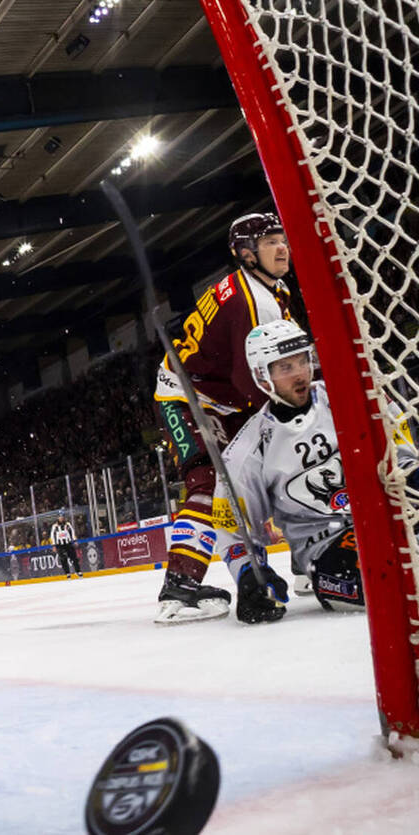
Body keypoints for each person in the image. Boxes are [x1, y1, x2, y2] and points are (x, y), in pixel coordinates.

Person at [216, 321, 419, 623]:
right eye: (286, 367)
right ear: (263, 376)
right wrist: (249, 575)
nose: (300, 372)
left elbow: (403, 454)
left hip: (389, 514)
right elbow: (234, 530)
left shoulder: (353, 394)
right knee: (389, 578)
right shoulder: (246, 452)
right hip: (328, 548)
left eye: (303, 360)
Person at [153, 211, 296, 624]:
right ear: (247, 254)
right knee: (208, 482)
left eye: (281, 238)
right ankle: (180, 587)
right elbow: (249, 379)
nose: (282, 247)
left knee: (267, 468)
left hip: (223, 399)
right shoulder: (251, 301)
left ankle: (304, 557)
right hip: (184, 395)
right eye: (270, 242)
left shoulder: (271, 290)